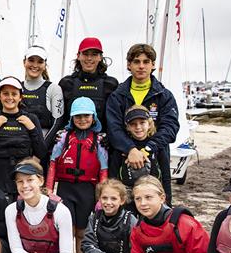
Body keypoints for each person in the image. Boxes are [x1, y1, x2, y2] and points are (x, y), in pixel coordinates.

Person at [46, 97, 108, 253]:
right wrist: (49, 189)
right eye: (78, 116)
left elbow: (103, 168)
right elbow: (53, 162)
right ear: (72, 118)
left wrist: (102, 195)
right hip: (66, 188)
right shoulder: (64, 137)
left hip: (87, 191)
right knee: (66, 231)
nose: (82, 120)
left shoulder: (98, 140)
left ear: (93, 117)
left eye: (86, 116)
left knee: (82, 231)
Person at [106, 43, 179, 202]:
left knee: (158, 206)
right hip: (122, 158)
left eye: (146, 62)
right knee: (121, 206)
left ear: (153, 65)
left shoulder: (164, 96)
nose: (141, 66)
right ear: (129, 65)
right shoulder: (117, 95)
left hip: (157, 156)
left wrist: (147, 148)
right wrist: (130, 149)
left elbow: (170, 128)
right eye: (136, 61)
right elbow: (113, 128)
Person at [4, 159, 76, 253]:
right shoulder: (11, 210)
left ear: (41, 180)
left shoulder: (60, 210)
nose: (25, 186)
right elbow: (15, 248)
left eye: (30, 180)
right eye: (20, 182)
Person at [0, 76, 47, 202]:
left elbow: (42, 152)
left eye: (14, 94)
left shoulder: (31, 118)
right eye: (5, 94)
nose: (10, 98)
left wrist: (32, 129)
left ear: (20, 97)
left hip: (24, 180)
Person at [108, 105, 172, 205]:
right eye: (133, 124)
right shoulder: (122, 147)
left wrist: (168, 203)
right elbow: (113, 176)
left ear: (149, 124)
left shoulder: (158, 146)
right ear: (127, 127)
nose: (138, 127)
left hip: (152, 195)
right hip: (128, 196)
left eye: (142, 123)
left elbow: (166, 175)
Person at [58, 37, 118, 132]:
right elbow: (60, 118)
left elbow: (114, 118)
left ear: (100, 57)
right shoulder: (66, 83)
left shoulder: (110, 84)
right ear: (78, 56)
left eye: (94, 54)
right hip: (71, 140)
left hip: (100, 141)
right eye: (85, 54)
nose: (89, 58)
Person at [21, 45, 63, 150]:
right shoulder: (17, 88)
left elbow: (57, 123)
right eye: (31, 60)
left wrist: (40, 150)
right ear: (24, 62)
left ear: (45, 65)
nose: (35, 65)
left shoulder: (53, 89)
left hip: (43, 150)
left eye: (40, 62)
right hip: (19, 148)